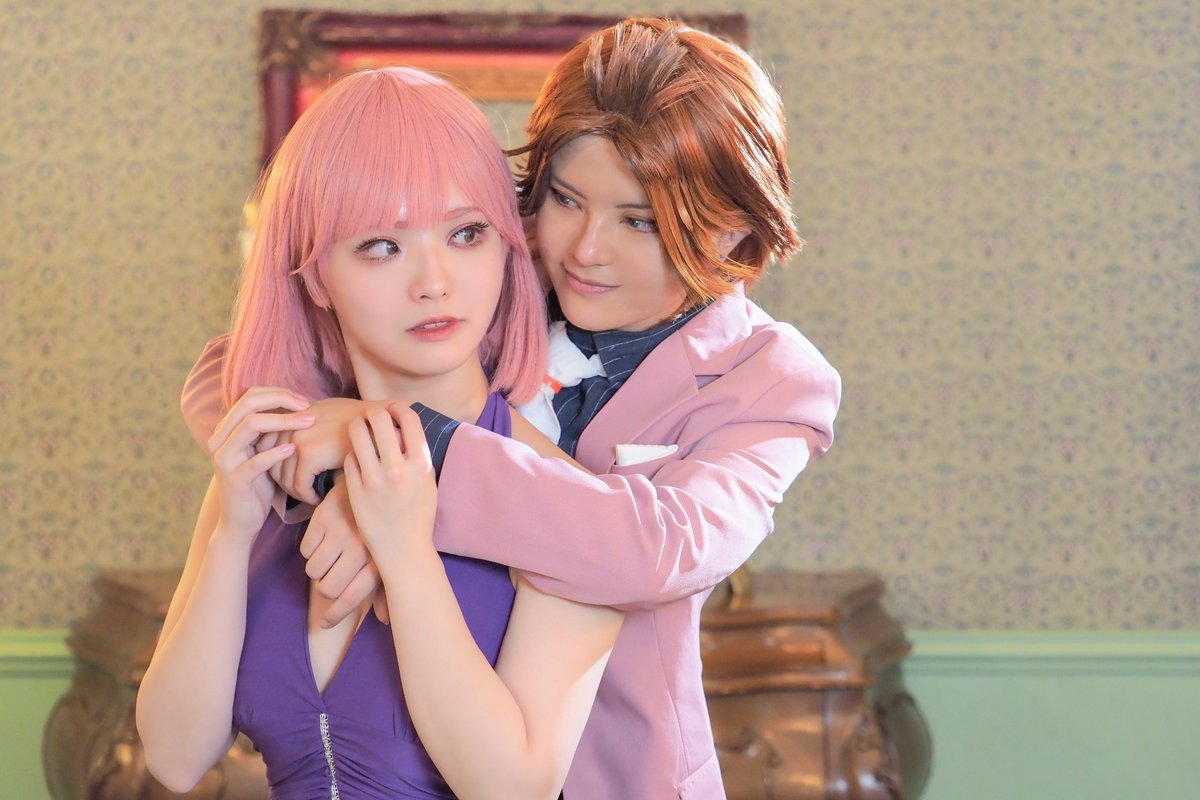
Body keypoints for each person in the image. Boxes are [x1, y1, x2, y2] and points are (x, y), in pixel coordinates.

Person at [180, 18, 841, 799]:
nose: (585, 249)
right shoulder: (489, 269)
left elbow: (657, 548)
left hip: (611, 778)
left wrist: (392, 442)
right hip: (421, 748)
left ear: (728, 227)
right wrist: (338, 481)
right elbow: (242, 362)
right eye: (565, 199)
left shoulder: (771, 380)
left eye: (638, 221)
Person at [136, 66, 623, 800]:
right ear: (314, 275)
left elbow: (514, 788)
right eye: (381, 246)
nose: (434, 281)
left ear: (506, 247)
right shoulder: (279, 463)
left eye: (466, 234)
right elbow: (175, 757)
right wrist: (232, 533)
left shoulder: (569, 506)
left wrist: (404, 554)